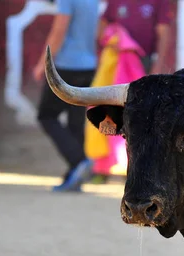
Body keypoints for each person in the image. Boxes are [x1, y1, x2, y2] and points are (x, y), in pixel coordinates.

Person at [33, 0, 100, 192]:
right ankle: (74, 175)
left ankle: (79, 161)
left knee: (46, 115)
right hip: (88, 65)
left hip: (66, 66)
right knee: (76, 121)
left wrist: (42, 64)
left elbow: (58, 31)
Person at [99, 0, 173, 75]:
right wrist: (110, 42)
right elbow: (102, 27)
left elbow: (163, 34)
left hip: (144, 61)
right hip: (118, 60)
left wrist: (158, 65)